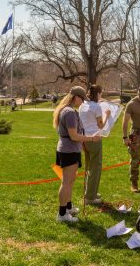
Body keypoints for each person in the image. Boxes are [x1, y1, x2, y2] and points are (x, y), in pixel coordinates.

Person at [53, 86, 102, 223]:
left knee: (70, 181)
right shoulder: (69, 112)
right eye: (82, 99)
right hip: (68, 150)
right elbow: (74, 136)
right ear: (76, 97)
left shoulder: (68, 110)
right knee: (67, 183)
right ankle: (62, 214)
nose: (83, 102)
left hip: (70, 149)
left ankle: (68, 207)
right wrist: (92, 139)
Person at [79, 85, 111, 205]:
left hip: (84, 139)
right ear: (98, 93)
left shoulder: (83, 105)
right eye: (100, 93)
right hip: (95, 139)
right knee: (95, 168)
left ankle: (91, 192)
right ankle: (90, 198)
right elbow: (101, 125)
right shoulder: (96, 107)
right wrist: (107, 115)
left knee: (89, 167)